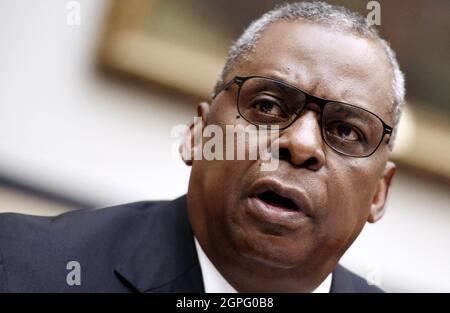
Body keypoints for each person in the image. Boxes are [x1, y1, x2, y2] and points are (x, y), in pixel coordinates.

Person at [0, 1, 405, 293]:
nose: (299, 145)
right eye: (267, 106)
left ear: (379, 193)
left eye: (347, 132)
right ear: (199, 134)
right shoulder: (20, 267)